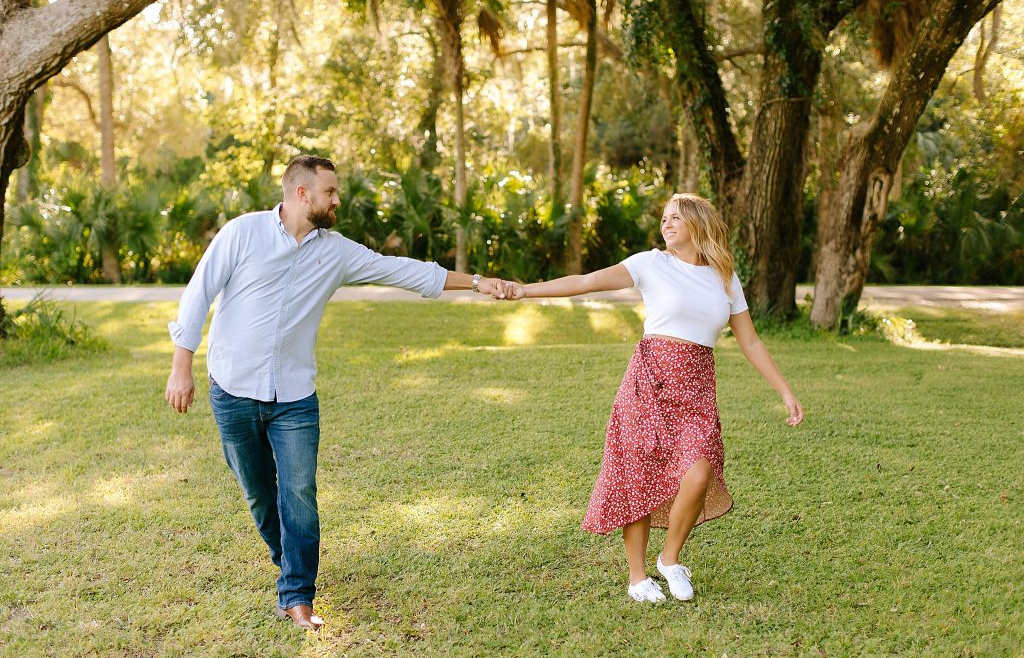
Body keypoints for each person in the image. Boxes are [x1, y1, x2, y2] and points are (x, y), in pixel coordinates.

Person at [165, 155, 511, 630]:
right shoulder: (242, 233)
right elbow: (198, 293)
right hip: (233, 389)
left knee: (300, 492)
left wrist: (475, 282)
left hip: (294, 397)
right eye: (330, 192)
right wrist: (180, 365)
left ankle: (297, 593)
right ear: (301, 193)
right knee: (260, 495)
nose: (337, 200)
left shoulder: (337, 250)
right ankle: (288, 558)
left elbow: (402, 270)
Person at [504, 193, 804, 602]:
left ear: (698, 223)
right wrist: (525, 291)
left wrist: (784, 391)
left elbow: (749, 341)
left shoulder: (724, 276)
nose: (667, 223)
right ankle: (637, 578)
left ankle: (670, 559)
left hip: (697, 388)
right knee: (639, 475)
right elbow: (585, 282)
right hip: (649, 381)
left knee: (701, 471)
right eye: (664, 218)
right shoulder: (650, 263)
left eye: (676, 217)